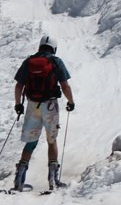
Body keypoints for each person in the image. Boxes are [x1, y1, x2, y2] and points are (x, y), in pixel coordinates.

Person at [12, 36, 75, 192]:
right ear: (54, 48)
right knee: (51, 140)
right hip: (51, 105)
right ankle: (53, 180)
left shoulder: (29, 62)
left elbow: (19, 86)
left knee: (31, 141)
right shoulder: (55, 61)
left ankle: (19, 178)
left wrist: (18, 104)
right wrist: (71, 102)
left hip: (33, 105)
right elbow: (65, 86)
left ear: (40, 46)